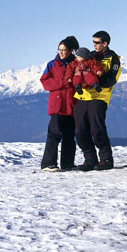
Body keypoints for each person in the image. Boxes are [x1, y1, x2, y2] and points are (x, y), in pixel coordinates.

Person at [74, 31, 121, 171]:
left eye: (97, 42)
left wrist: (93, 80)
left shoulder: (113, 59)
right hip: (83, 96)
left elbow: (111, 79)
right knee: (80, 130)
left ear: (105, 44)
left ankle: (106, 159)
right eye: (93, 42)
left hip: (99, 97)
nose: (94, 45)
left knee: (97, 129)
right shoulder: (89, 56)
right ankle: (89, 160)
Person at [40, 36, 80, 172]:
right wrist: (62, 83)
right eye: (59, 50)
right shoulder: (51, 64)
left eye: (64, 50)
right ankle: (48, 163)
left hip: (71, 103)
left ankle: (68, 163)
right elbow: (45, 82)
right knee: (54, 133)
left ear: (70, 51)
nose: (61, 52)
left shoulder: (76, 63)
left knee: (69, 134)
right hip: (57, 104)